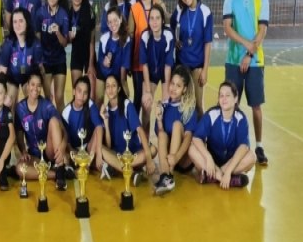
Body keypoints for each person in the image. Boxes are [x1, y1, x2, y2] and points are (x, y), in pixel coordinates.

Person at [223, 0, 269, 165]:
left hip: (255, 62)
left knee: (256, 106)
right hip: (233, 59)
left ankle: (258, 146)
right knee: (232, 106)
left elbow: (262, 30)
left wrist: (250, 54)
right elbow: (227, 28)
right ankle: (234, 146)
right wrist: (245, 47)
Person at [188, 81, 256, 189]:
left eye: (228, 95)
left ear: (235, 99)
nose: (224, 99)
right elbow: (196, 138)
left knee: (252, 157)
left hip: (231, 162)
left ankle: (212, 176)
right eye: (221, 95)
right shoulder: (212, 114)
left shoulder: (241, 118)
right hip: (212, 163)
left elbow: (244, 147)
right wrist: (208, 157)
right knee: (191, 149)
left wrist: (228, 171)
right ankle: (227, 179)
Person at [14, 72, 68, 190]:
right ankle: (56, 175)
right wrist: (23, 150)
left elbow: (64, 129)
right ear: (27, 86)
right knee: (19, 169)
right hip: (34, 156)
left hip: (49, 152)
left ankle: (60, 166)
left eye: (39, 85)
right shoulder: (20, 108)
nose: (35, 88)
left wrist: (63, 145)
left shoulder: (47, 106)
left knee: (54, 121)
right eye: (33, 84)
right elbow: (19, 133)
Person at [99, 75, 155, 184]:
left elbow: (140, 131)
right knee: (99, 147)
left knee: (153, 150)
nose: (110, 89)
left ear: (119, 89)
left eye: (113, 86)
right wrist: (105, 120)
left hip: (133, 154)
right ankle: (132, 173)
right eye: (108, 86)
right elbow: (109, 146)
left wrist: (148, 159)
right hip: (118, 155)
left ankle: (117, 168)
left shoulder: (126, 105)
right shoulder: (105, 110)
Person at [170, 0, 213, 119]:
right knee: (181, 104)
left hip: (197, 66)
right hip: (182, 65)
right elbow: (170, 25)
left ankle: (202, 139)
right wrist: (175, 39)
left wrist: (205, 70)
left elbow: (208, 43)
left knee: (198, 105)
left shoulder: (205, 12)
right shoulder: (180, 10)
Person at [130, 0, 167, 126]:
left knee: (157, 102)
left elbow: (168, 23)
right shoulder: (135, 8)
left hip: (158, 62)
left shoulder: (158, 4)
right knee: (139, 99)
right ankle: (132, 133)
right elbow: (131, 35)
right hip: (140, 62)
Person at [153, 66, 197, 195]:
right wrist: (159, 119)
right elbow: (161, 135)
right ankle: (165, 176)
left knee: (177, 125)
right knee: (161, 134)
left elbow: (189, 137)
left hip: (182, 158)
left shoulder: (188, 107)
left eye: (178, 86)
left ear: (184, 89)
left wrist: (176, 156)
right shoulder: (164, 106)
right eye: (172, 83)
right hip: (169, 158)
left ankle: (168, 175)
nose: (173, 88)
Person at [34, 0, 70, 110]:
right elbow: (37, 39)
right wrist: (39, 62)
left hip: (59, 60)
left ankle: (63, 128)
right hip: (46, 61)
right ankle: (50, 127)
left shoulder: (63, 14)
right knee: (48, 98)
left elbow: (65, 43)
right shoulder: (40, 13)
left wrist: (58, 32)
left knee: (59, 98)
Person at [0, 7, 44, 110]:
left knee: (33, 96)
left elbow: (39, 69)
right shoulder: (8, 44)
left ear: (27, 22)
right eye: (14, 22)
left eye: (20, 21)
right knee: (8, 101)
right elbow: (2, 73)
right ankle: (11, 125)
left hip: (28, 76)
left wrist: (36, 88)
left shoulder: (35, 43)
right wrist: (3, 93)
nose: (17, 25)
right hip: (12, 78)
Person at [140, 5, 174, 133]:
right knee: (146, 104)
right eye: (152, 18)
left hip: (165, 72)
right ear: (148, 21)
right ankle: (145, 142)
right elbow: (144, 65)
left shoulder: (168, 35)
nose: (154, 22)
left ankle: (165, 137)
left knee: (167, 105)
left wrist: (167, 91)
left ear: (162, 20)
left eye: (157, 18)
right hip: (151, 74)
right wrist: (148, 91)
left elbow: (168, 66)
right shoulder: (145, 36)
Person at [61, 76, 104, 172]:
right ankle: (71, 167)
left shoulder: (90, 104)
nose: (82, 95)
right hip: (75, 149)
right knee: (64, 156)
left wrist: (96, 153)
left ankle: (88, 163)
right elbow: (65, 137)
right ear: (74, 92)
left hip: (89, 147)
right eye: (79, 91)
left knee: (98, 130)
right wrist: (71, 151)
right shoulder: (66, 112)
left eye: (85, 93)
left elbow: (99, 127)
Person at [96, 7, 131, 106]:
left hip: (117, 74)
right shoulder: (104, 39)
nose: (113, 24)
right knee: (98, 99)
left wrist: (122, 85)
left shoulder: (126, 40)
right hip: (103, 73)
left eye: (115, 20)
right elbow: (100, 60)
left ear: (120, 19)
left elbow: (124, 69)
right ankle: (99, 120)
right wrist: (104, 62)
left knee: (123, 100)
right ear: (107, 24)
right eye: (110, 22)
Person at [68, 0, 97, 100]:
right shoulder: (68, 14)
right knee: (78, 94)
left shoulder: (89, 12)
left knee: (91, 96)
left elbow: (92, 40)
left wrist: (90, 64)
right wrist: (70, 38)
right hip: (76, 55)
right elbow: (67, 41)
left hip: (89, 55)